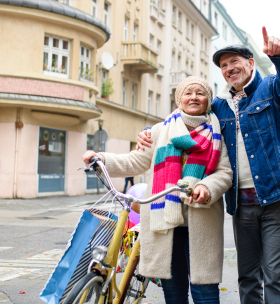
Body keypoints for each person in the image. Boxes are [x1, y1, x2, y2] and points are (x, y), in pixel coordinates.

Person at [137, 28, 280, 304]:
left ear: (251, 63)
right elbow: (187, 110)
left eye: (235, 61)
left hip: (277, 197)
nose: (229, 68)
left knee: (276, 277)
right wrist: (152, 132)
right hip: (242, 203)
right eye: (224, 65)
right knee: (248, 278)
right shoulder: (220, 108)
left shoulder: (271, 89)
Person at [83, 76, 233, 304]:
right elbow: (134, 161)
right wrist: (101, 158)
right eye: (188, 92)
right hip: (165, 223)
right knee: (174, 294)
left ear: (208, 100)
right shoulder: (160, 130)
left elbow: (224, 173)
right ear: (179, 99)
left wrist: (206, 187)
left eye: (200, 93)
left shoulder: (217, 132)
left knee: (206, 294)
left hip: (201, 221)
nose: (194, 97)